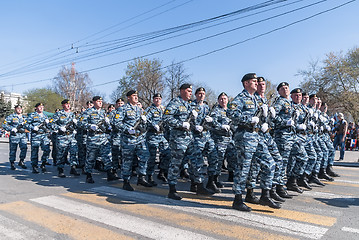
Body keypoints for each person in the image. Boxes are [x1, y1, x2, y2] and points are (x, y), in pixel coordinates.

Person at [113, 90, 152, 191]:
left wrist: (145, 121)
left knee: (145, 156)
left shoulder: (139, 110)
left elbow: (146, 124)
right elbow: (117, 123)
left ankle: (141, 177)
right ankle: (126, 181)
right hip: (128, 140)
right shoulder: (123, 109)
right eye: (134, 96)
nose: (136, 97)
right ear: (129, 98)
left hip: (140, 138)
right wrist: (127, 129)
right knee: (127, 161)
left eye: (136, 95)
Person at [163, 83, 196, 200]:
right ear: (182, 91)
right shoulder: (174, 103)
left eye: (191, 91)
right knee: (175, 164)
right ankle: (172, 189)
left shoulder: (189, 105)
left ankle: (197, 184)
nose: (191, 93)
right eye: (188, 91)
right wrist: (180, 124)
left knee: (196, 160)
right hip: (178, 139)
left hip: (189, 138)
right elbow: (166, 118)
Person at [80, 96, 119, 183]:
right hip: (93, 137)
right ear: (94, 102)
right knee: (91, 158)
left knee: (107, 156)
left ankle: (109, 174)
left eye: (101, 101)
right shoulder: (88, 112)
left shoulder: (103, 112)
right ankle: (89, 175)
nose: (100, 102)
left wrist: (108, 125)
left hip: (103, 137)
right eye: (98, 101)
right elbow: (81, 123)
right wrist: (89, 126)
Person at [145, 93, 171, 185]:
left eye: (159, 98)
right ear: (153, 100)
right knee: (152, 157)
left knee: (167, 154)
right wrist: (153, 125)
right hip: (152, 135)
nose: (158, 100)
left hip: (162, 135)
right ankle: (149, 176)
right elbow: (144, 120)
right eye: (156, 98)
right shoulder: (150, 110)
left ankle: (162, 172)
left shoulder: (164, 109)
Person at [51, 99, 79, 178]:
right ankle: (60, 169)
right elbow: (51, 123)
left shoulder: (72, 114)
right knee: (61, 153)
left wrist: (75, 127)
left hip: (71, 136)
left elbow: (76, 125)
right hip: (62, 136)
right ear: (63, 105)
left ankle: (73, 167)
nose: (68, 105)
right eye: (66, 104)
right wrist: (59, 128)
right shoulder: (59, 114)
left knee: (74, 152)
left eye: (69, 104)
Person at [26, 103, 51, 173]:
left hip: (44, 135)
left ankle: (43, 163)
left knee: (47, 150)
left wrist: (48, 123)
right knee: (34, 151)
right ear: (36, 108)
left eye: (42, 106)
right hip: (36, 135)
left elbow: (49, 127)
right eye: (39, 107)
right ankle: (34, 166)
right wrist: (32, 127)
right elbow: (26, 124)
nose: (41, 108)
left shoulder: (45, 116)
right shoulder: (32, 115)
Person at [2, 105, 28, 170]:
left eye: (20, 108)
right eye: (18, 108)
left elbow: (28, 125)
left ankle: (21, 161)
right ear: (15, 109)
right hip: (14, 135)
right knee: (13, 150)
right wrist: (11, 128)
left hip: (22, 135)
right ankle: (12, 163)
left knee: (24, 148)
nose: (19, 110)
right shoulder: (11, 117)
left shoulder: (24, 118)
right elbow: (4, 124)